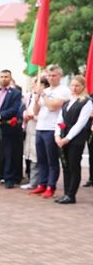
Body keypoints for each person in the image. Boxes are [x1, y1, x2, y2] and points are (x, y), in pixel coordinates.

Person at [30, 65, 70, 198]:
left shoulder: (63, 90)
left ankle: (50, 186)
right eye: (49, 75)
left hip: (52, 128)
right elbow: (36, 111)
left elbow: (53, 106)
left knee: (51, 159)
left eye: (54, 75)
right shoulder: (45, 90)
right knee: (41, 159)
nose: (51, 78)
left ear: (60, 76)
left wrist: (43, 95)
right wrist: (36, 101)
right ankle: (42, 183)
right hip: (40, 127)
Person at [54, 75, 92, 204]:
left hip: (76, 139)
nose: (74, 88)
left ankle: (71, 194)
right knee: (65, 165)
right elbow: (60, 119)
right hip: (63, 135)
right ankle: (66, 193)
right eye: (72, 85)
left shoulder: (86, 102)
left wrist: (67, 138)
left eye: (77, 86)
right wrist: (57, 135)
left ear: (83, 87)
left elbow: (80, 123)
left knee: (73, 165)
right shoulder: (67, 101)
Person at [0, 69, 23, 188]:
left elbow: (15, 109)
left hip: (8, 127)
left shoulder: (15, 93)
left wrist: (0, 115)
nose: (4, 79)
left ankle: (9, 178)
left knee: (8, 153)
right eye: (1, 76)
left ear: (10, 78)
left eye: (6, 77)